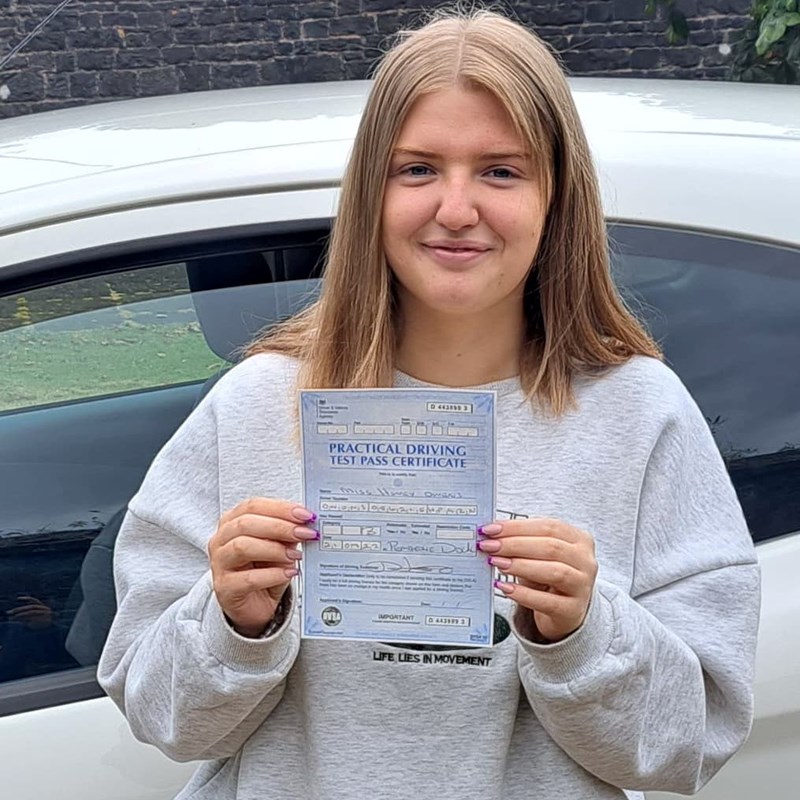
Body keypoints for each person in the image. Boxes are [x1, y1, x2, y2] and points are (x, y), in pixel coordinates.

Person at [97, 8, 760, 799]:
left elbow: (694, 743)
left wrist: (585, 632)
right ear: (369, 193)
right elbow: (160, 716)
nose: (455, 208)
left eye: (501, 171)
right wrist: (235, 621)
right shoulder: (256, 405)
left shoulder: (640, 413)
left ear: (557, 196)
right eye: (417, 169)